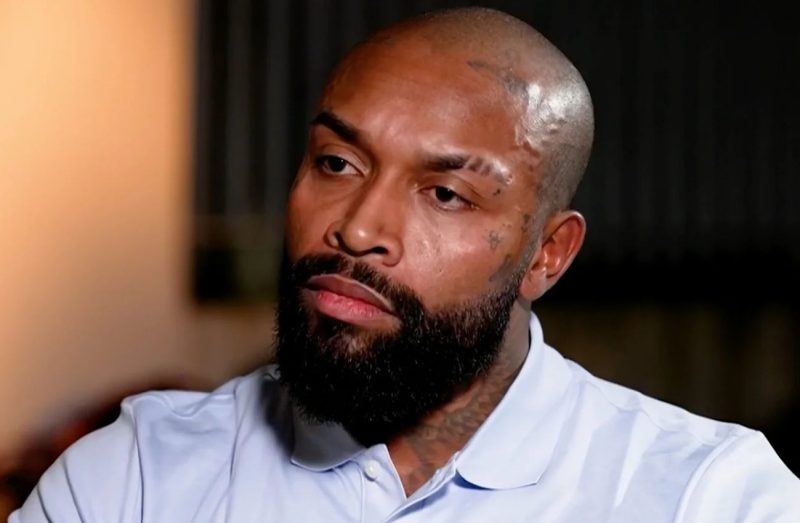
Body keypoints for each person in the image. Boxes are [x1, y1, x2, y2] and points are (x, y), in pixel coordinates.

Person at [11, 7, 800, 522]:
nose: (358, 229)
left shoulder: (706, 496)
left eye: (446, 194)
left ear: (547, 254)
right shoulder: (135, 479)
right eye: (337, 163)